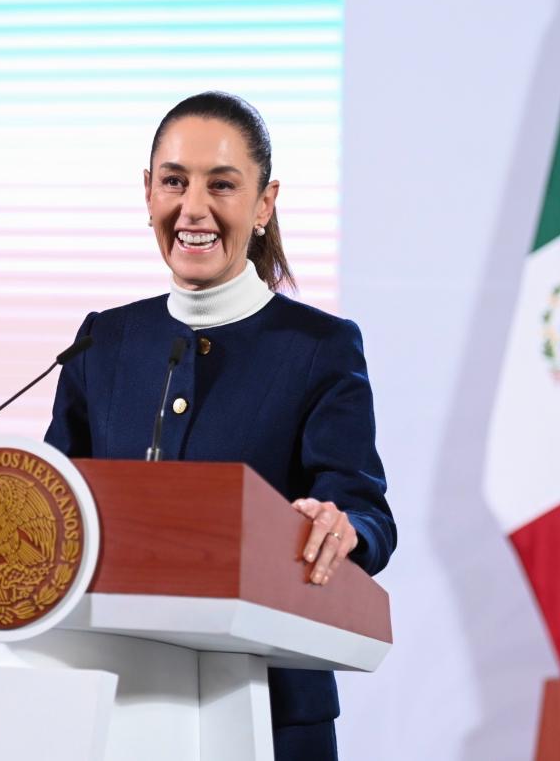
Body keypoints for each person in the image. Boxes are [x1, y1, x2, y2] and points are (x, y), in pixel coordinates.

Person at [45, 92, 395, 761]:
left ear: (264, 204)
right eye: (175, 181)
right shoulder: (102, 342)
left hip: (271, 711)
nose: (194, 208)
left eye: (223, 185)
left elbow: (366, 512)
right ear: (148, 192)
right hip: (116, 703)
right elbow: (52, 507)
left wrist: (343, 527)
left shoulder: (318, 347)